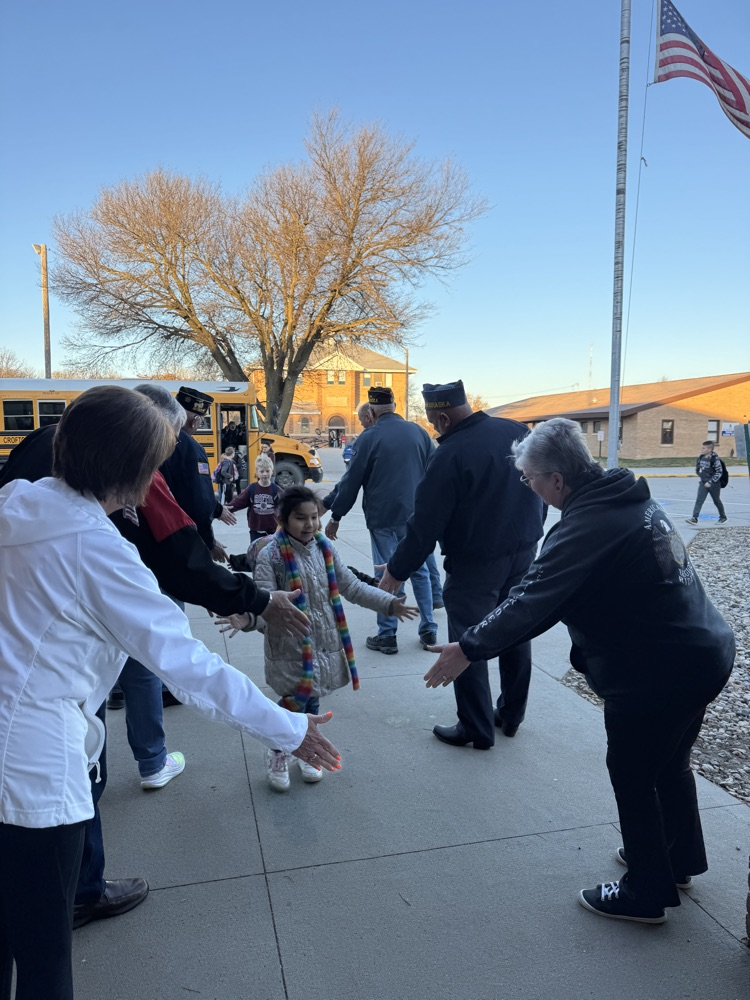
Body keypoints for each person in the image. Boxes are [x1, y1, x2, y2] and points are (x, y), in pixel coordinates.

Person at [0, 386, 339, 1000]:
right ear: (134, 472)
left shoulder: (16, 502)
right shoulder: (98, 550)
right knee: (45, 952)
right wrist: (288, 727)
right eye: (155, 463)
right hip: (32, 771)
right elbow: (188, 666)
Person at [425, 417, 734, 925]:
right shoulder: (623, 497)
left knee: (633, 774)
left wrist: (469, 647)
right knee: (667, 765)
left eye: (530, 480)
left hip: (659, 669)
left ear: (557, 481)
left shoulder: (588, 526)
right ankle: (675, 859)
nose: (529, 488)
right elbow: (545, 601)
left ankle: (645, 891)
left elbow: (530, 599)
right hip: (702, 651)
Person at [380, 380, 544, 748]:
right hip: (523, 552)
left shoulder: (449, 454)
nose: (435, 429)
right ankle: (511, 714)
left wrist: (395, 570)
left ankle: (476, 727)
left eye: (434, 423)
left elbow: (424, 525)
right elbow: (541, 487)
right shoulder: (516, 430)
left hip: (475, 565)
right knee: (514, 630)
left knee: (468, 640)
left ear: (442, 416)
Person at [219, 486, 416, 792]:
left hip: (322, 646)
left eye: (314, 517)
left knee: (310, 702)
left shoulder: (325, 548)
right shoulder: (270, 556)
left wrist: (387, 603)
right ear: (281, 518)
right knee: (289, 707)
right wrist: (247, 618)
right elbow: (264, 601)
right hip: (287, 647)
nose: (309, 524)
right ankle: (278, 752)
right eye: (300, 518)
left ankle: (306, 750)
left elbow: (351, 587)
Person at [325, 387, 437, 654]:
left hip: (383, 516)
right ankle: (429, 628)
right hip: (416, 515)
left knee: (385, 572)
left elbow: (351, 481)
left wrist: (336, 515)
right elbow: (435, 472)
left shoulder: (369, 437)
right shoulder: (419, 432)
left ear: (372, 411)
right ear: (395, 405)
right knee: (419, 570)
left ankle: (387, 634)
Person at [160, 385, 237, 563]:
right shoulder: (191, 447)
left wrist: (217, 509)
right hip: (182, 538)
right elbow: (198, 502)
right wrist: (208, 542)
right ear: (195, 421)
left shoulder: (160, 438)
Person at [228, 453, 281, 543]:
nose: (265, 474)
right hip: (255, 532)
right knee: (256, 555)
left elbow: (288, 504)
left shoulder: (276, 490)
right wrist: (224, 509)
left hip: (273, 532)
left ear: (272, 471)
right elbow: (238, 501)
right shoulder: (252, 488)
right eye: (262, 471)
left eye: (267, 471)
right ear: (257, 472)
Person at [686, 440, 727, 525]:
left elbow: (719, 472)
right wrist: (700, 474)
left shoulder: (715, 459)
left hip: (714, 484)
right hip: (703, 483)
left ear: (710, 449)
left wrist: (710, 482)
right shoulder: (701, 457)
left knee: (716, 501)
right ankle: (694, 518)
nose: (702, 449)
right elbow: (698, 468)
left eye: (704, 448)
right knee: (699, 500)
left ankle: (723, 517)